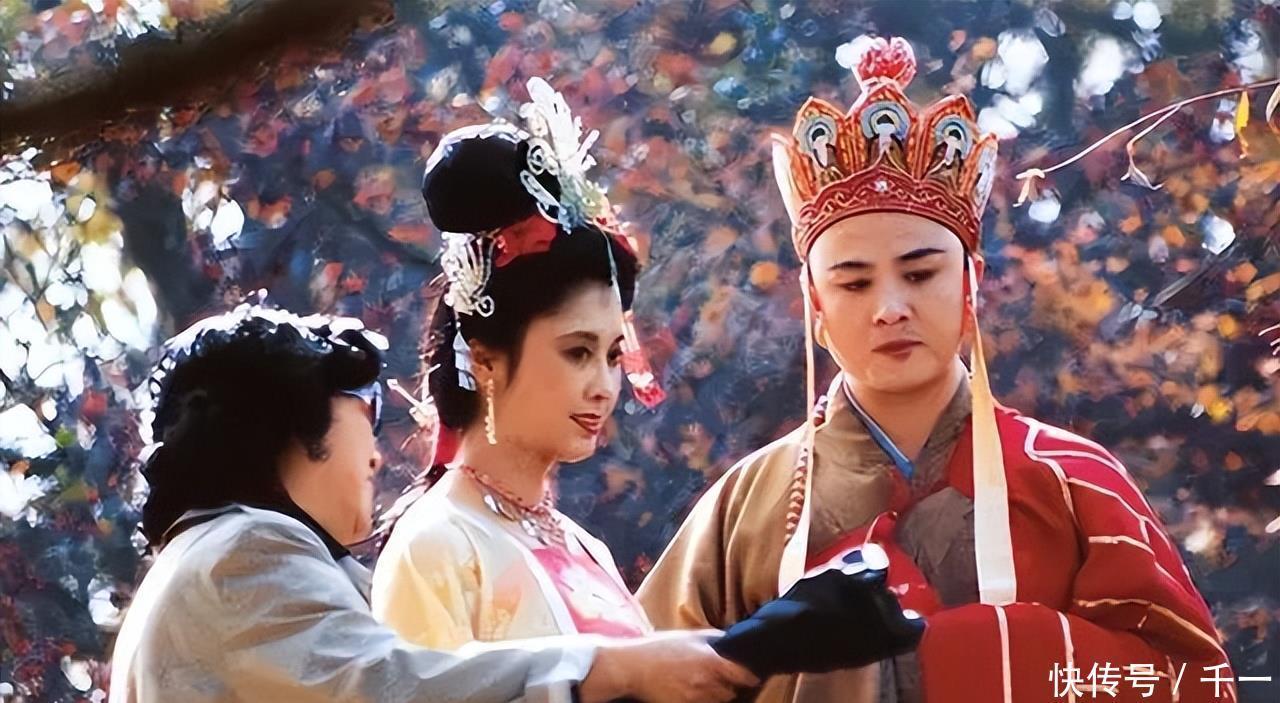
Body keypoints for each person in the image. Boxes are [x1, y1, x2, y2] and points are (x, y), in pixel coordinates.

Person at [639, 36, 1236, 703]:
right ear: (815, 303)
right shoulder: (743, 505)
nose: (891, 308)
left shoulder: (1071, 480)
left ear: (971, 281)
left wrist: (964, 649)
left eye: (921, 274)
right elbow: (640, 679)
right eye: (854, 283)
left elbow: (1191, 680)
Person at [108, 302, 761, 703]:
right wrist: (608, 666)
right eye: (365, 420)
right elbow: (394, 688)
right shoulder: (243, 552)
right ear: (288, 432)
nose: (374, 458)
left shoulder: (203, 560)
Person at [368, 77, 758, 703]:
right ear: (486, 358)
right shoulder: (438, 544)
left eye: (613, 356)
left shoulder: (584, 546)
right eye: (577, 352)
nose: (604, 386)